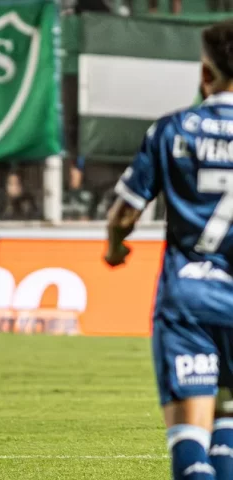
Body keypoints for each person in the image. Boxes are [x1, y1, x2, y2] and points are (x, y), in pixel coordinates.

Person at [105, 21, 233, 480]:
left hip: (189, 299)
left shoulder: (172, 129)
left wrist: (115, 249)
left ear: (205, 73)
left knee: (190, 434)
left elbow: (124, 215)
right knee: (227, 417)